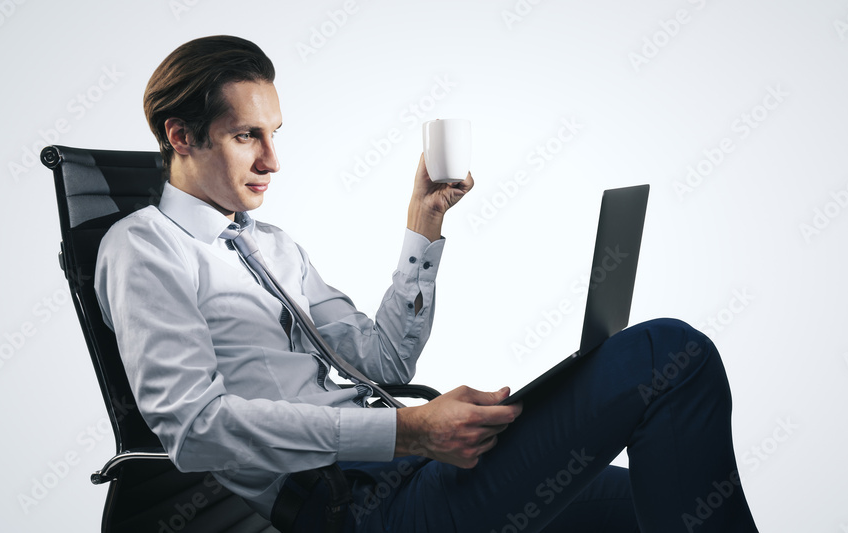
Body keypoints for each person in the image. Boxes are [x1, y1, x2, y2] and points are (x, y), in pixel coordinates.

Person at [94, 35, 759, 532]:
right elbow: (198, 428)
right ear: (180, 135)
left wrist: (424, 224)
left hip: (413, 468)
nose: (274, 160)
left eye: (274, 133)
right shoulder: (143, 252)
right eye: (247, 136)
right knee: (668, 354)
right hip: (358, 507)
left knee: (648, 501)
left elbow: (382, 360)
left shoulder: (270, 245)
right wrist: (407, 432)